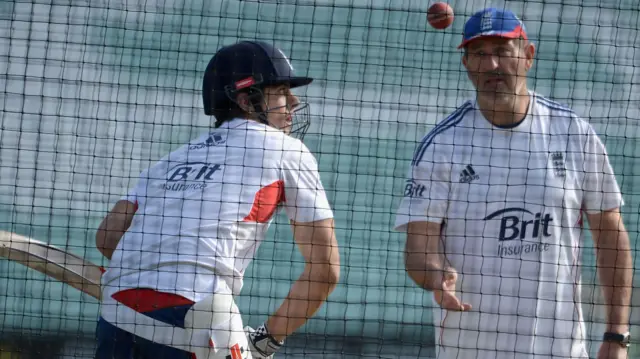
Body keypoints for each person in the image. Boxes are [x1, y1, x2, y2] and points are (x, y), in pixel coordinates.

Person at [394, 7, 633, 359]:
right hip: (470, 351)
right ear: (466, 64)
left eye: (503, 52)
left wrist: (617, 336)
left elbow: (611, 236)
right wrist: (436, 275)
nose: (491, 66)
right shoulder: (441, 146)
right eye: (479, 54)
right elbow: (418, 249)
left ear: (528, 56)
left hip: (562, 351)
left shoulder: (574, 134)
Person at [93, 40, 341, 359]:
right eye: (281, 91)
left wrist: (155, 276)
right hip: (197, 319)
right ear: (246, 100)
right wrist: (266, 341)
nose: (294, 101)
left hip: (117, 316)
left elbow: (107, 237)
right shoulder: (287, 151)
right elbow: (325, 271)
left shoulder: (171, 160)